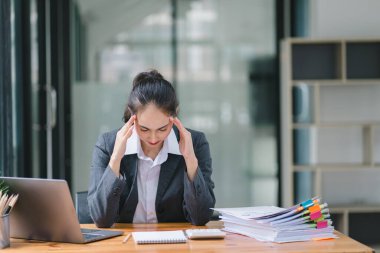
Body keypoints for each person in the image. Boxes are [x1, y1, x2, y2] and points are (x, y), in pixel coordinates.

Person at [88, 69, 215, 227]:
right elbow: (101, 219)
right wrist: (115, 159)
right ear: (132, 117)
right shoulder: (108, 144)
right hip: (124, 245)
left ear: (174, 116)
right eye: (144, 129)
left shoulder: (195, 143)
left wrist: (190, 159)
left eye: (162, 129)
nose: (153, 138)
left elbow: (201, 217)